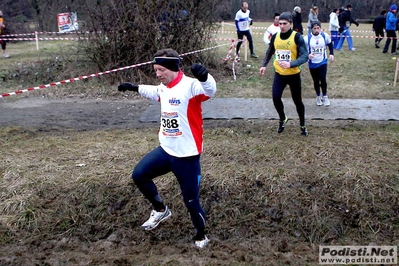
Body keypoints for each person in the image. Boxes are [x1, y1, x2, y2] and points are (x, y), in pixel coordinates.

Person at [117, 48, 216, 248]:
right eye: (156, 70)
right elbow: (153, 91)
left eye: (161, 70)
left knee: (191, 203)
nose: (158, 74)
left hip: (187, 156)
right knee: (139, 175)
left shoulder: (190, 86)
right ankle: (161, 209)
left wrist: (205, 77)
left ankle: (201, 236)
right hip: (166, 151)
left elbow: (210, 91)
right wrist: (134, 87)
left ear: (173, 68)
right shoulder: (163, 87)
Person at [259, 12, 309, 136]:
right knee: (276, 98)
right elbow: (269, 51)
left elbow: (305, 56)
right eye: (280, 23)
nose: (282, 26)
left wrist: (291, 64)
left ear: (290, 24)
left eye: (284, 24)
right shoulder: (275, 36)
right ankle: (283, 118)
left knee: (297, 101)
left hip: (293, 74)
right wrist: (264, 65)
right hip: (279, 74)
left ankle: (302, 125)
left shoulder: (297, 37)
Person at [304, 21, 334, 106]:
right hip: (312, 63)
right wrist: (307, 55)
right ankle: (318, 96)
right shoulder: (307, 38)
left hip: (322, 61)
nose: (316, 30)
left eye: (318, 28)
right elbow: (301, 49)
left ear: (320, 28)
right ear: (311, 29)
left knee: (323, 79)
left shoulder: (324, 36)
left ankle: (325, 96)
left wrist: (331, 54)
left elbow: (330, 44)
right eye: (314, 28)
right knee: (316, 81)